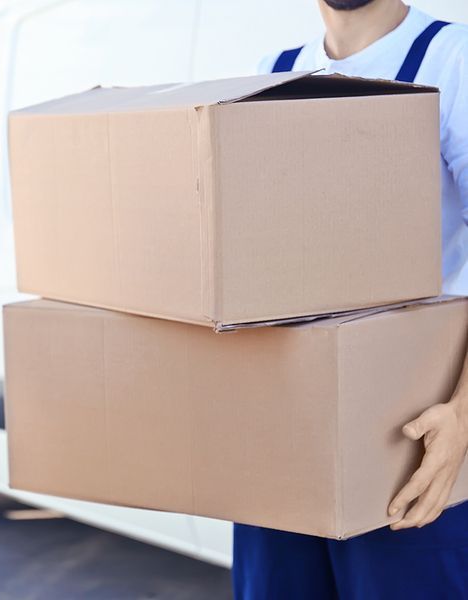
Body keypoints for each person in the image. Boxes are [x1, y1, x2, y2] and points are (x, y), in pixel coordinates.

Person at [234, 1, 468, 597]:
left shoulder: (452, 61)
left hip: (412, 435)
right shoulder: (271, 74)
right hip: (279, 433)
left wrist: (464, 413)